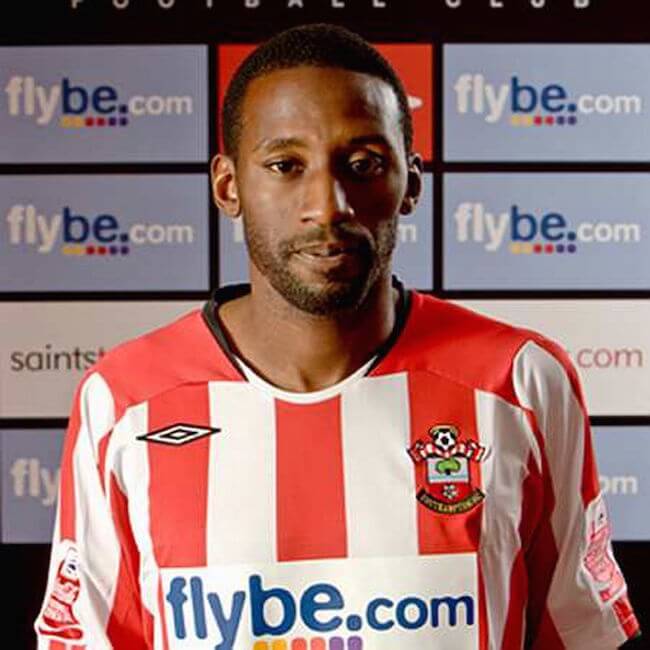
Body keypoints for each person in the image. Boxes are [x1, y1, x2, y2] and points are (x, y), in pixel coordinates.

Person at [36, 23, 639, 650]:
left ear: (411, 183)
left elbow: (580, 635)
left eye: (363, 165)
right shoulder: (124, 400)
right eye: (285, 166)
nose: (327, 206)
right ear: (228, 186)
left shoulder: (520, 381)